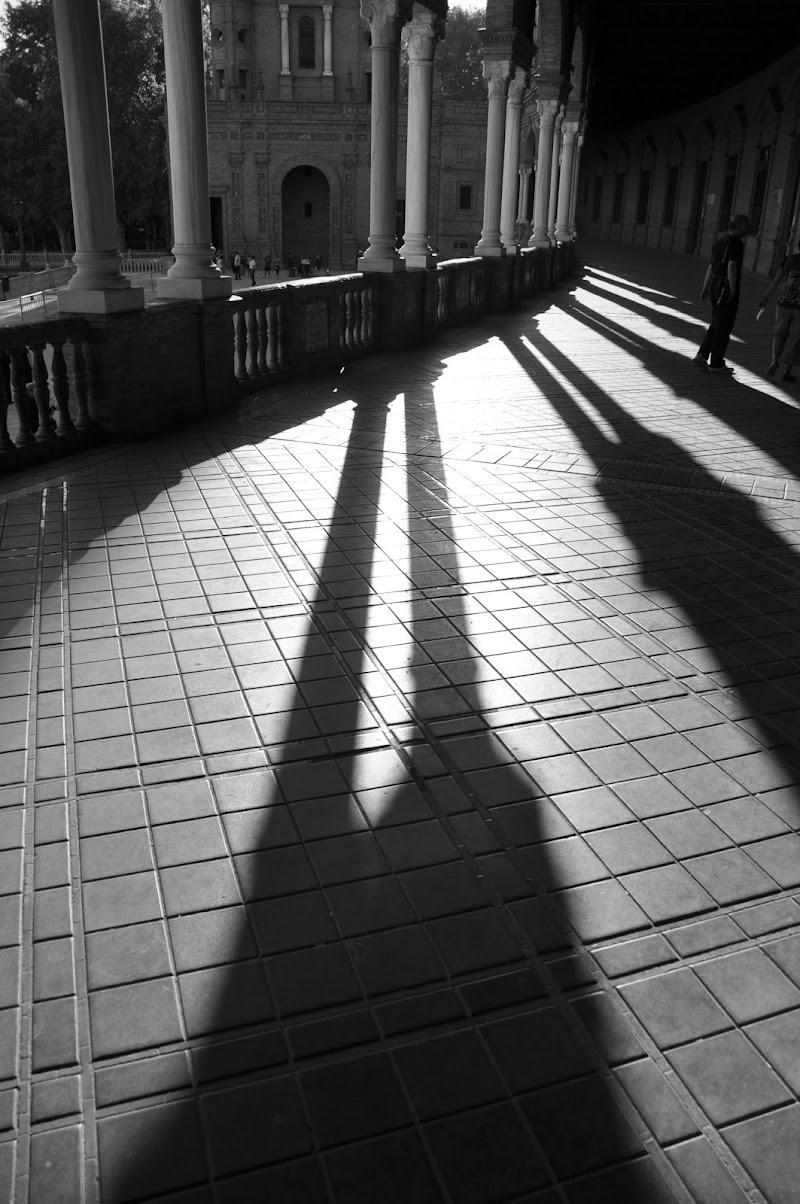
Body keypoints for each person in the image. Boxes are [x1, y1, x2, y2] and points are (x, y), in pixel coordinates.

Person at [694, 213, 750, 374]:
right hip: (725, 286)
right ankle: (716, 363)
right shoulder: (736, 243)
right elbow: (732, 266)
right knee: (724, 325)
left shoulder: (719, 241)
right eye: (746, 225)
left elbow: (711, 267)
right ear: (738, 226)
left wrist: (705, 288)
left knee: (716, 321)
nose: (749, 228)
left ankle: (702, 355)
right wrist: (733, 289)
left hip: (714, 285)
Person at [758, 241, 800, 383]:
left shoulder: (789, 259)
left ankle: (774, 360)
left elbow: (777, 280)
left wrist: (765, 297)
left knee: (779, 334)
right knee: (796, 340)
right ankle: (787, 372)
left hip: (783, 303)